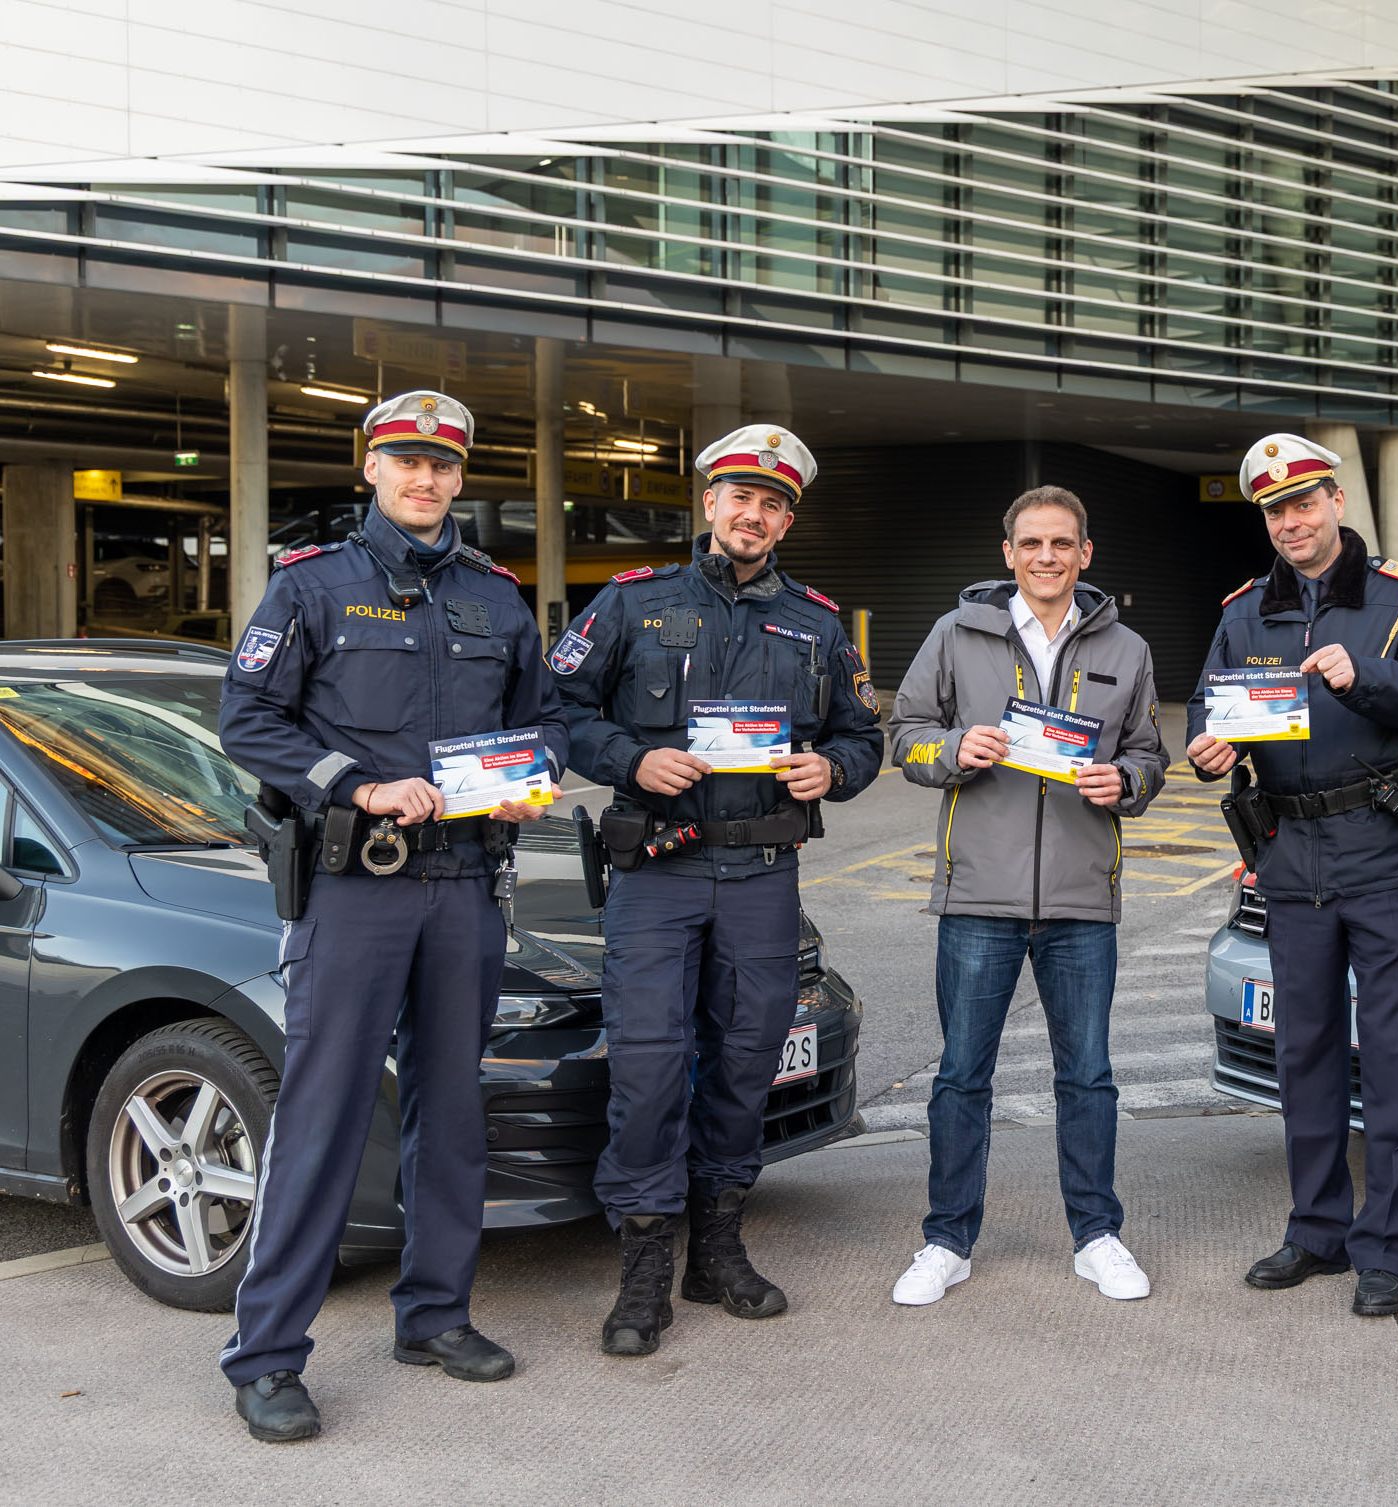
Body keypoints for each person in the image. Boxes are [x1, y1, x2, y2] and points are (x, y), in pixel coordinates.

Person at [217, 390, 567, 1442]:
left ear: (462, 477)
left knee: (452, 1113)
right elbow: (247, 716)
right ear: (369, 465)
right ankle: (267, 1354)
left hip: (464, 885)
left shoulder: (498, 598)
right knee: (321, 1117)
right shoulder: (311, 587)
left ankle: (434, 1314)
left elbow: (541, 723)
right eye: (405, 460)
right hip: (356, 888)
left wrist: (527, 780)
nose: (425, 479)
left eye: (443, 465)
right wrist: (355, 783)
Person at [554, 425, 881, 1356]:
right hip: (657, 874)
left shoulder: (817, 622)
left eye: (774, 503)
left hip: (762, 878)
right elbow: (558, 711)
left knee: (747, 1064)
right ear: (709, 503)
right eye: (741, 496)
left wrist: (835, 768)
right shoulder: (631, 603)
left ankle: (719, 1250)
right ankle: (644, 1272)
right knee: (651, 1071)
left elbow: (865, 734)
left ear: (787, 518)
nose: (755, 514)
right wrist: (631, 756)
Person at [1186, 433, 1398, 1318]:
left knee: (1388, 1056)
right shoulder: (1243, 608)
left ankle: (1385, 1246)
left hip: (1383, 849)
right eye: (1274, 509)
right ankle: (1315, 1229)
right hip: (1289, 855)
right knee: (1301, 1051)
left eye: (1303, 502)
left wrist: (1365, 673)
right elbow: (1206, 704)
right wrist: (1205, 746)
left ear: (1335, 501)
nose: (1291, 521)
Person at [886, 485, 1168, 1305]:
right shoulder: (955, 633)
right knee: (960, 1077)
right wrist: (950, 747)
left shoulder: (1129, 646)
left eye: (1062, 544)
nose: (1046, 556)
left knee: (1087, 1076)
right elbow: (902, 734)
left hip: (1082, 896)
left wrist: (1129, 779)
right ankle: (946, 1239)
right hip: (979, 892)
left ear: (1086, 554)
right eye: (1031, 543)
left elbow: (1151, 752)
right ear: (1006, 552)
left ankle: (1096, 1235)